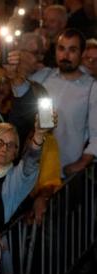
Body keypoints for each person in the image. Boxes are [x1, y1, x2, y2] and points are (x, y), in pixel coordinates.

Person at [14, 29, 96, 176]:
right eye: (61, 48)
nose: (65, 55)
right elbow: (19, 94)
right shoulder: (43, 76)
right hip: (34, 169)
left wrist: (81, 164)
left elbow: (96, 136)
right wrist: (14, 70)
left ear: (82, 53)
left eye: (72, 50)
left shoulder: (92, 87)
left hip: (66, 173)